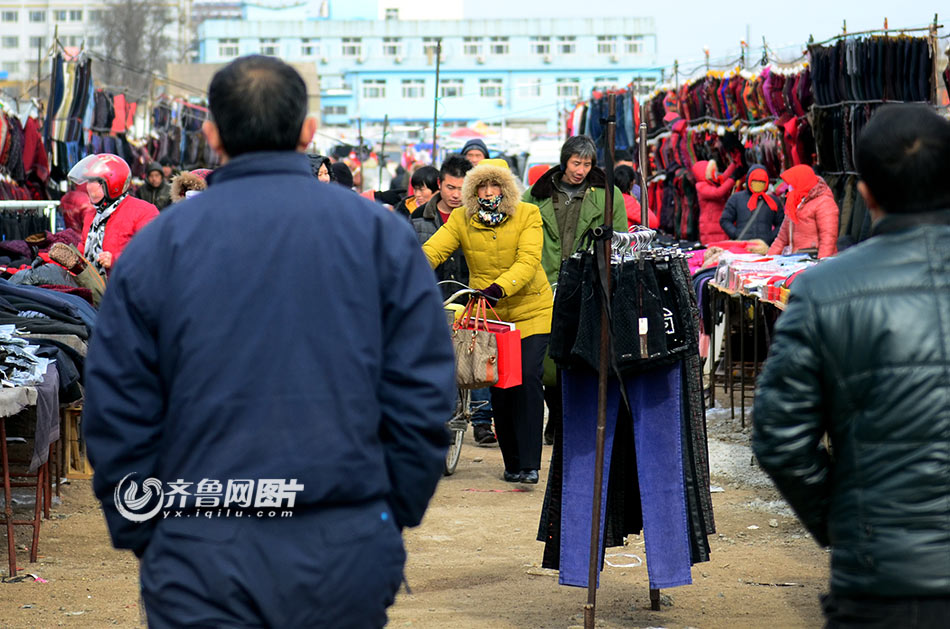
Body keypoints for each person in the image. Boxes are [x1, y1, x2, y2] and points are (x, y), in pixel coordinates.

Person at [82, 55, 454, 628]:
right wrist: (386, 514)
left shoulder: (161, 245)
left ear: (211, 135)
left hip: (200, 547)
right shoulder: (378, 235)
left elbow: (117, 404)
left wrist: (147, 528)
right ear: (307, 133)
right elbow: (424, 392)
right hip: (339, 543)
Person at [752, 104, 950, 628]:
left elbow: (779, 435)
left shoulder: (824, 290)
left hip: (884, 579)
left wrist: (847, 523)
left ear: (864, 192)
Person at [423, 159, 552, 483]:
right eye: (482, 186)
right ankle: (512, 463)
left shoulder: (528, 214)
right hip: (488, 314)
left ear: (507, 188)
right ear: (473, 190)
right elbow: (434, 250)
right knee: (501, 385)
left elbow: (528, 260)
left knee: (526, 379)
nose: (489, 192)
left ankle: (530, 463)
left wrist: (499, 287)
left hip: (530, 310)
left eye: (495, 186)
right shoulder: (461, 219)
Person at [523, 135, 627, 446]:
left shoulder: (608, 196)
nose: (581, 170)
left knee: (578, 353)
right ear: (564, 160)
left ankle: (568, 419)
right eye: (576, 163)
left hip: (586, 282)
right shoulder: (535, 195)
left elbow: (620, 243)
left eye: (587, 164)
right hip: (543, 281)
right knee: (546, 358)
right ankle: (555, 413)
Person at [410, 156, 496, 445]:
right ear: (440, 185)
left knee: (476, 356)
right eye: (450, 187)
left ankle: (482, 419)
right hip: (432, 298)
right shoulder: (418, 218)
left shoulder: (479, 217)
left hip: (471, 296)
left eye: (462, 188)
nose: (456, 194)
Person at [67, 153, 159, 276]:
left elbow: (152, 250)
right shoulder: (92, 215)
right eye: (88, 181)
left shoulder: (144, 211)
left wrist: (116, 260)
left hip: (128, 288)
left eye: (94, 181)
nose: (89, 186)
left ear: (112, 184)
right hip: (94, 288)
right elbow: (84, 249)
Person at [767, 164, 839, 258]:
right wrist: (768, 260)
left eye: (793, 184)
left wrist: (821, 264)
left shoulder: (824, 203)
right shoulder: (794, 204)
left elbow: (828, 239)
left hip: (814, 261)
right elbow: (781, 239)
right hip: (797, 261)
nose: (790, 188)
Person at [720, 165, 785, 244]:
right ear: (749, 181)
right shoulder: (736, 198)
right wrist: (736, 234)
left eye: (762, 182)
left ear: (766, 183)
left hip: (764, 247)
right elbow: (725, 220)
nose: (758, 184)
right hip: (742, 247)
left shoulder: (773, 201)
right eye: (755, 181)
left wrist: (770, 237)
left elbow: (782, 223)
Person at [692, 157, 738, 245]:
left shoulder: (712, 184)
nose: (715, 173)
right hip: (710, 227)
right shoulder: (701, 186)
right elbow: (718, 193)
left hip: (717, 224)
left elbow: (724, 177)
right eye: (713, 171)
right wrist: (733, 179)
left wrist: (734, 164)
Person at [614, 164, 658, 230]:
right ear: (632, 182)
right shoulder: (627, 201)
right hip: (625, 238)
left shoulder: (608, 197)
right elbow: (653, 222)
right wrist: (636, 203)